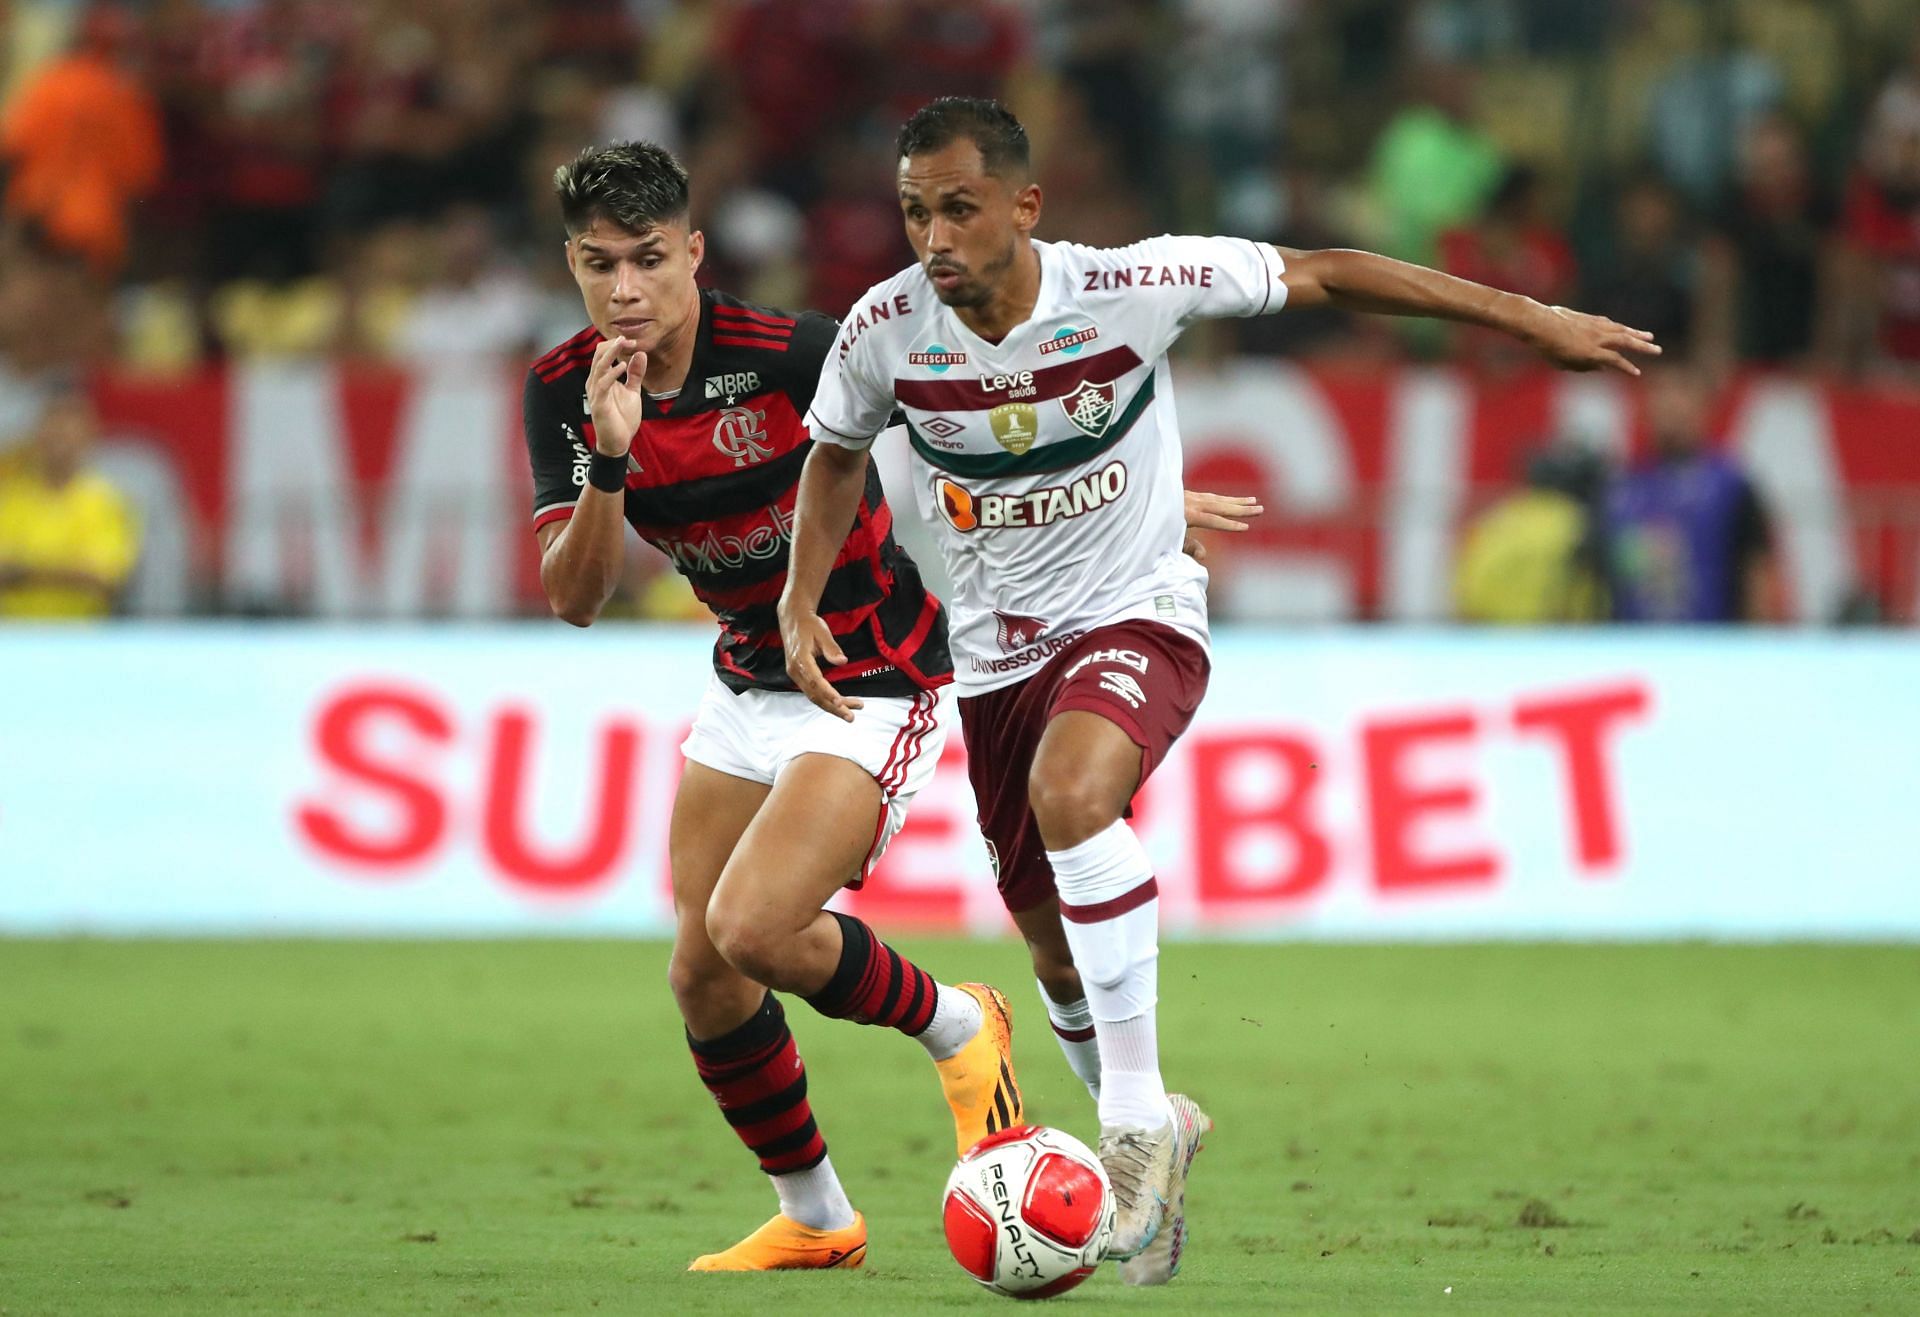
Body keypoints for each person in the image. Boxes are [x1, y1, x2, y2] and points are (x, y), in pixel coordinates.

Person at [778, 96, 1658, 1284]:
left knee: (1077, 792)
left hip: (1139, 611)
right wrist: (797, 599)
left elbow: (1329, 275)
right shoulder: (884, 330)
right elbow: (834, 457)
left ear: (1025, 207)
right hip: (993, 659)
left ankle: (1133, 1126)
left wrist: (1526, 315)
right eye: (916, 212)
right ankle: (1160, 1129)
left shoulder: (1131, 284)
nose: (935, 237)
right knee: (1049, 953)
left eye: (961, 208)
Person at [522, 141, 1018, 1275]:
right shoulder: (564, 389)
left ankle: (958, 1022)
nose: (626, 291)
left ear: (693, 253)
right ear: (573, 266)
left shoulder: (791, 352)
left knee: (756, 926)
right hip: (744, 684)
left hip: (871, 679)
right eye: (599, 266)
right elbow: (576, 598)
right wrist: (611, 459)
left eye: (649, 260)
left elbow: (963, 412)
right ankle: (819, 1216)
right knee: (703, 971)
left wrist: (1127, 488)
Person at [1602, 359, 1776, 624]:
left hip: (1710, 651)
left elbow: (1757, 573)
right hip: (1635, 648)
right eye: (1660, 392)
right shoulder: (1621, 488)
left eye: (1680, 391)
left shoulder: (1731, 485)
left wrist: (1758, 647)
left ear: (1704, 406)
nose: (1669, 403)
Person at [0, 391, 140, 620]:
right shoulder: (9, 498)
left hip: (81, 640)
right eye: (52, 433)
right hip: (12, 638)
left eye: (67, 435)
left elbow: (103, 578)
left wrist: (23, 573)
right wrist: (68, 571)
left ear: (89, 438)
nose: (59, 443)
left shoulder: (108, 501)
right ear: (38, 437)